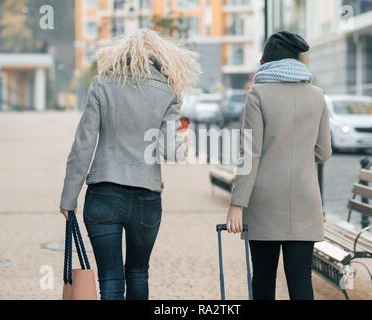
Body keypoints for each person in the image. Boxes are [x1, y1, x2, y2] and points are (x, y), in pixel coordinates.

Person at [59, 29, 200, 300]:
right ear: (161, 56)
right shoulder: (168, 92)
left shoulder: (102, 84)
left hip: (103, 194)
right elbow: (171, 151)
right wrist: (185, 141)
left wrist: (68, 197)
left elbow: (83, 145)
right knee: (138, 272)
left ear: (121, 54)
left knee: (110, 278)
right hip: (146, 198)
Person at [226, 30, 332, 300]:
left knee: (263, 276)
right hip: (305, 201)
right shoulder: (317, 95)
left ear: (269, 60)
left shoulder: (258, 95)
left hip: (265, 203)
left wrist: (237, 203)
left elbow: (250, 154)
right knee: (300, 281)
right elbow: (323, 151)